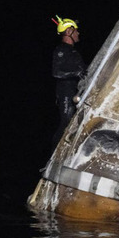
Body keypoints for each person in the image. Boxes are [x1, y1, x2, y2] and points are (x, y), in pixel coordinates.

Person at [51, 15, 87, 147]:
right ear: (68, 32)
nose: (78, 33)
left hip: (77, 91)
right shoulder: (61, 50)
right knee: (66, 121)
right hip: (66, 92)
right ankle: (53, 154)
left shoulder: (74, 52)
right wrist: (76, 73)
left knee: (77, 122)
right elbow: (56, 72)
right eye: (75, 30)